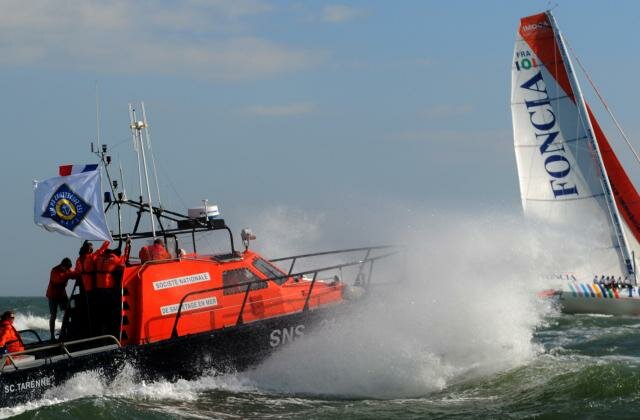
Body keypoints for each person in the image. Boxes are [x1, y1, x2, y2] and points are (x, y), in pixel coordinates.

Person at [95, 239, 130, 336]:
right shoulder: (115, 259)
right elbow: (125, 259)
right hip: (108, 287)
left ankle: (102, 329)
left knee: (102, 310)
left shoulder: (99, 258)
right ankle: (112, 329)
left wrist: (107, 241)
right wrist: (127, 246)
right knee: (111, 309)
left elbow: (99, 251)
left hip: (99, 287)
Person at [47, 257, 76, 340]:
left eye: (68, 268)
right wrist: (69, 275)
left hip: (62, 294)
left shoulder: (67, 269)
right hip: (52, 295)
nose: (67, 269)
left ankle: (64, 331)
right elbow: (57, 280)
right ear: (62, 265)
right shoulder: (55, 270)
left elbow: (74, 274)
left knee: (68, 312)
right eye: (66, 268)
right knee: (53, 315)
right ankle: (52, 336)